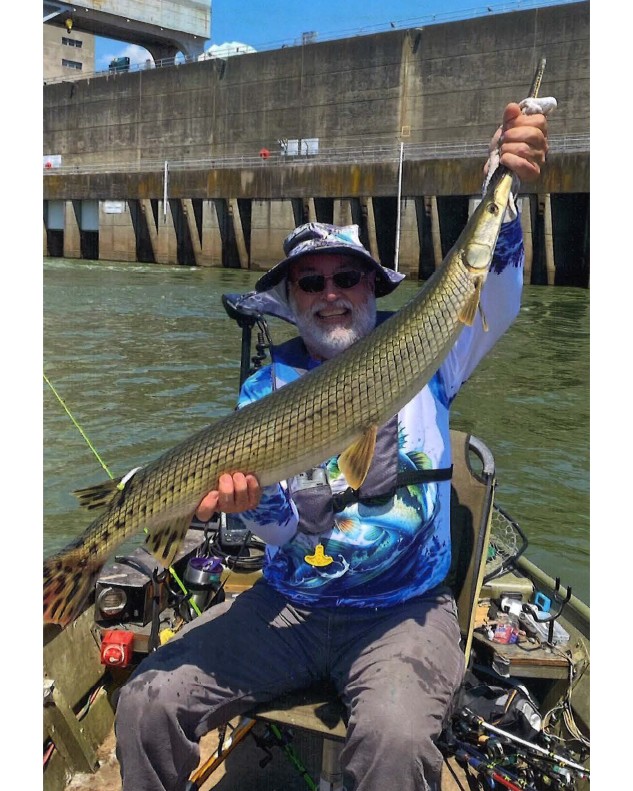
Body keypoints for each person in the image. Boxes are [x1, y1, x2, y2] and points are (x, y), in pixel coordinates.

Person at [114, 100, 551, 791]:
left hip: (402, 610)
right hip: (286, 601)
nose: (330, 293)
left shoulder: (430, 347)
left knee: (396, 737)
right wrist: (249, 508)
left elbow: (488, 283)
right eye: (309, 282)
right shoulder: (267, 386)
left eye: (345, 276)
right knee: (146, 700)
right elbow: (283, 529)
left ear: (372, 287)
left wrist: (502, 179)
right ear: (290, 299)